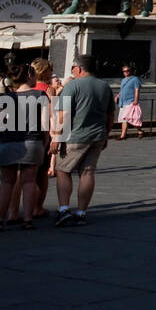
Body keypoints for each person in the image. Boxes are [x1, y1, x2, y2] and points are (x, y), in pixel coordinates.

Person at [52, 54, 116, 227]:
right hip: (97, 136)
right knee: (87, 173)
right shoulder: (104, 86)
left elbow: (63, 114)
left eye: (73, 67)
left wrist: (57, 138)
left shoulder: (72, 86)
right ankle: (81, 213)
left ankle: (64, 209)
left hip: (75, 136)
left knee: (63, 170)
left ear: (78, 68)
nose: (72, 71)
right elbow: (111, 114)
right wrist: (107, 134)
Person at [0, 65, 49, 232]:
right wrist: (44, 142)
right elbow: (45, 124)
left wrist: (4, 139)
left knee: (6, 183)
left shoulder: (4, 98)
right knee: (29, 181)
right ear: (30, 76)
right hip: (32, 141)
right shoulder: (40, 95)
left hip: (8, 143)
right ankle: (28, 220)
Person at [117, 63, 143, 139]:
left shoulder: (135, 79)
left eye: (127, 70)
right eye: (124, 71)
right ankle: (137, 132)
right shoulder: (123, 80)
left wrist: (136, 100)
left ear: (130, 71)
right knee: (124, 119)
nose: (126, 72)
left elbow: (137, 90)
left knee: (129, 118)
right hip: (122, 101)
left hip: (130, 101)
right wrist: (117, 96)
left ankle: (123, 135)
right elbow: (122, 90)